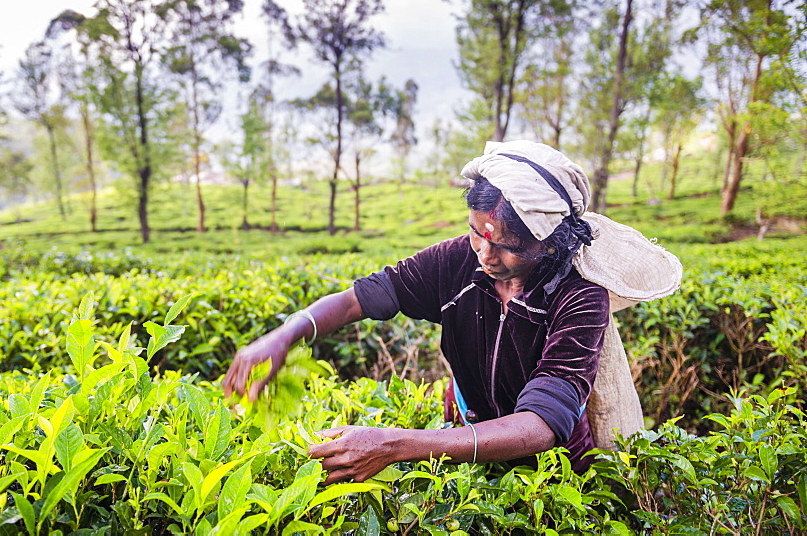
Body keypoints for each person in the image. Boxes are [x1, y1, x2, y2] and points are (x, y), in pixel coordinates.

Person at [222, 141, 681, 483]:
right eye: (477, 234)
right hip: (466, 443)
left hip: (555, 475)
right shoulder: (458, 258)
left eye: (506, 246)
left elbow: (544, 423)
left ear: (550, 243)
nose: (484, 254)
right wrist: (285, 334)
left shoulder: (580, 296)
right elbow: (359, 298)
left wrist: (396, 444)